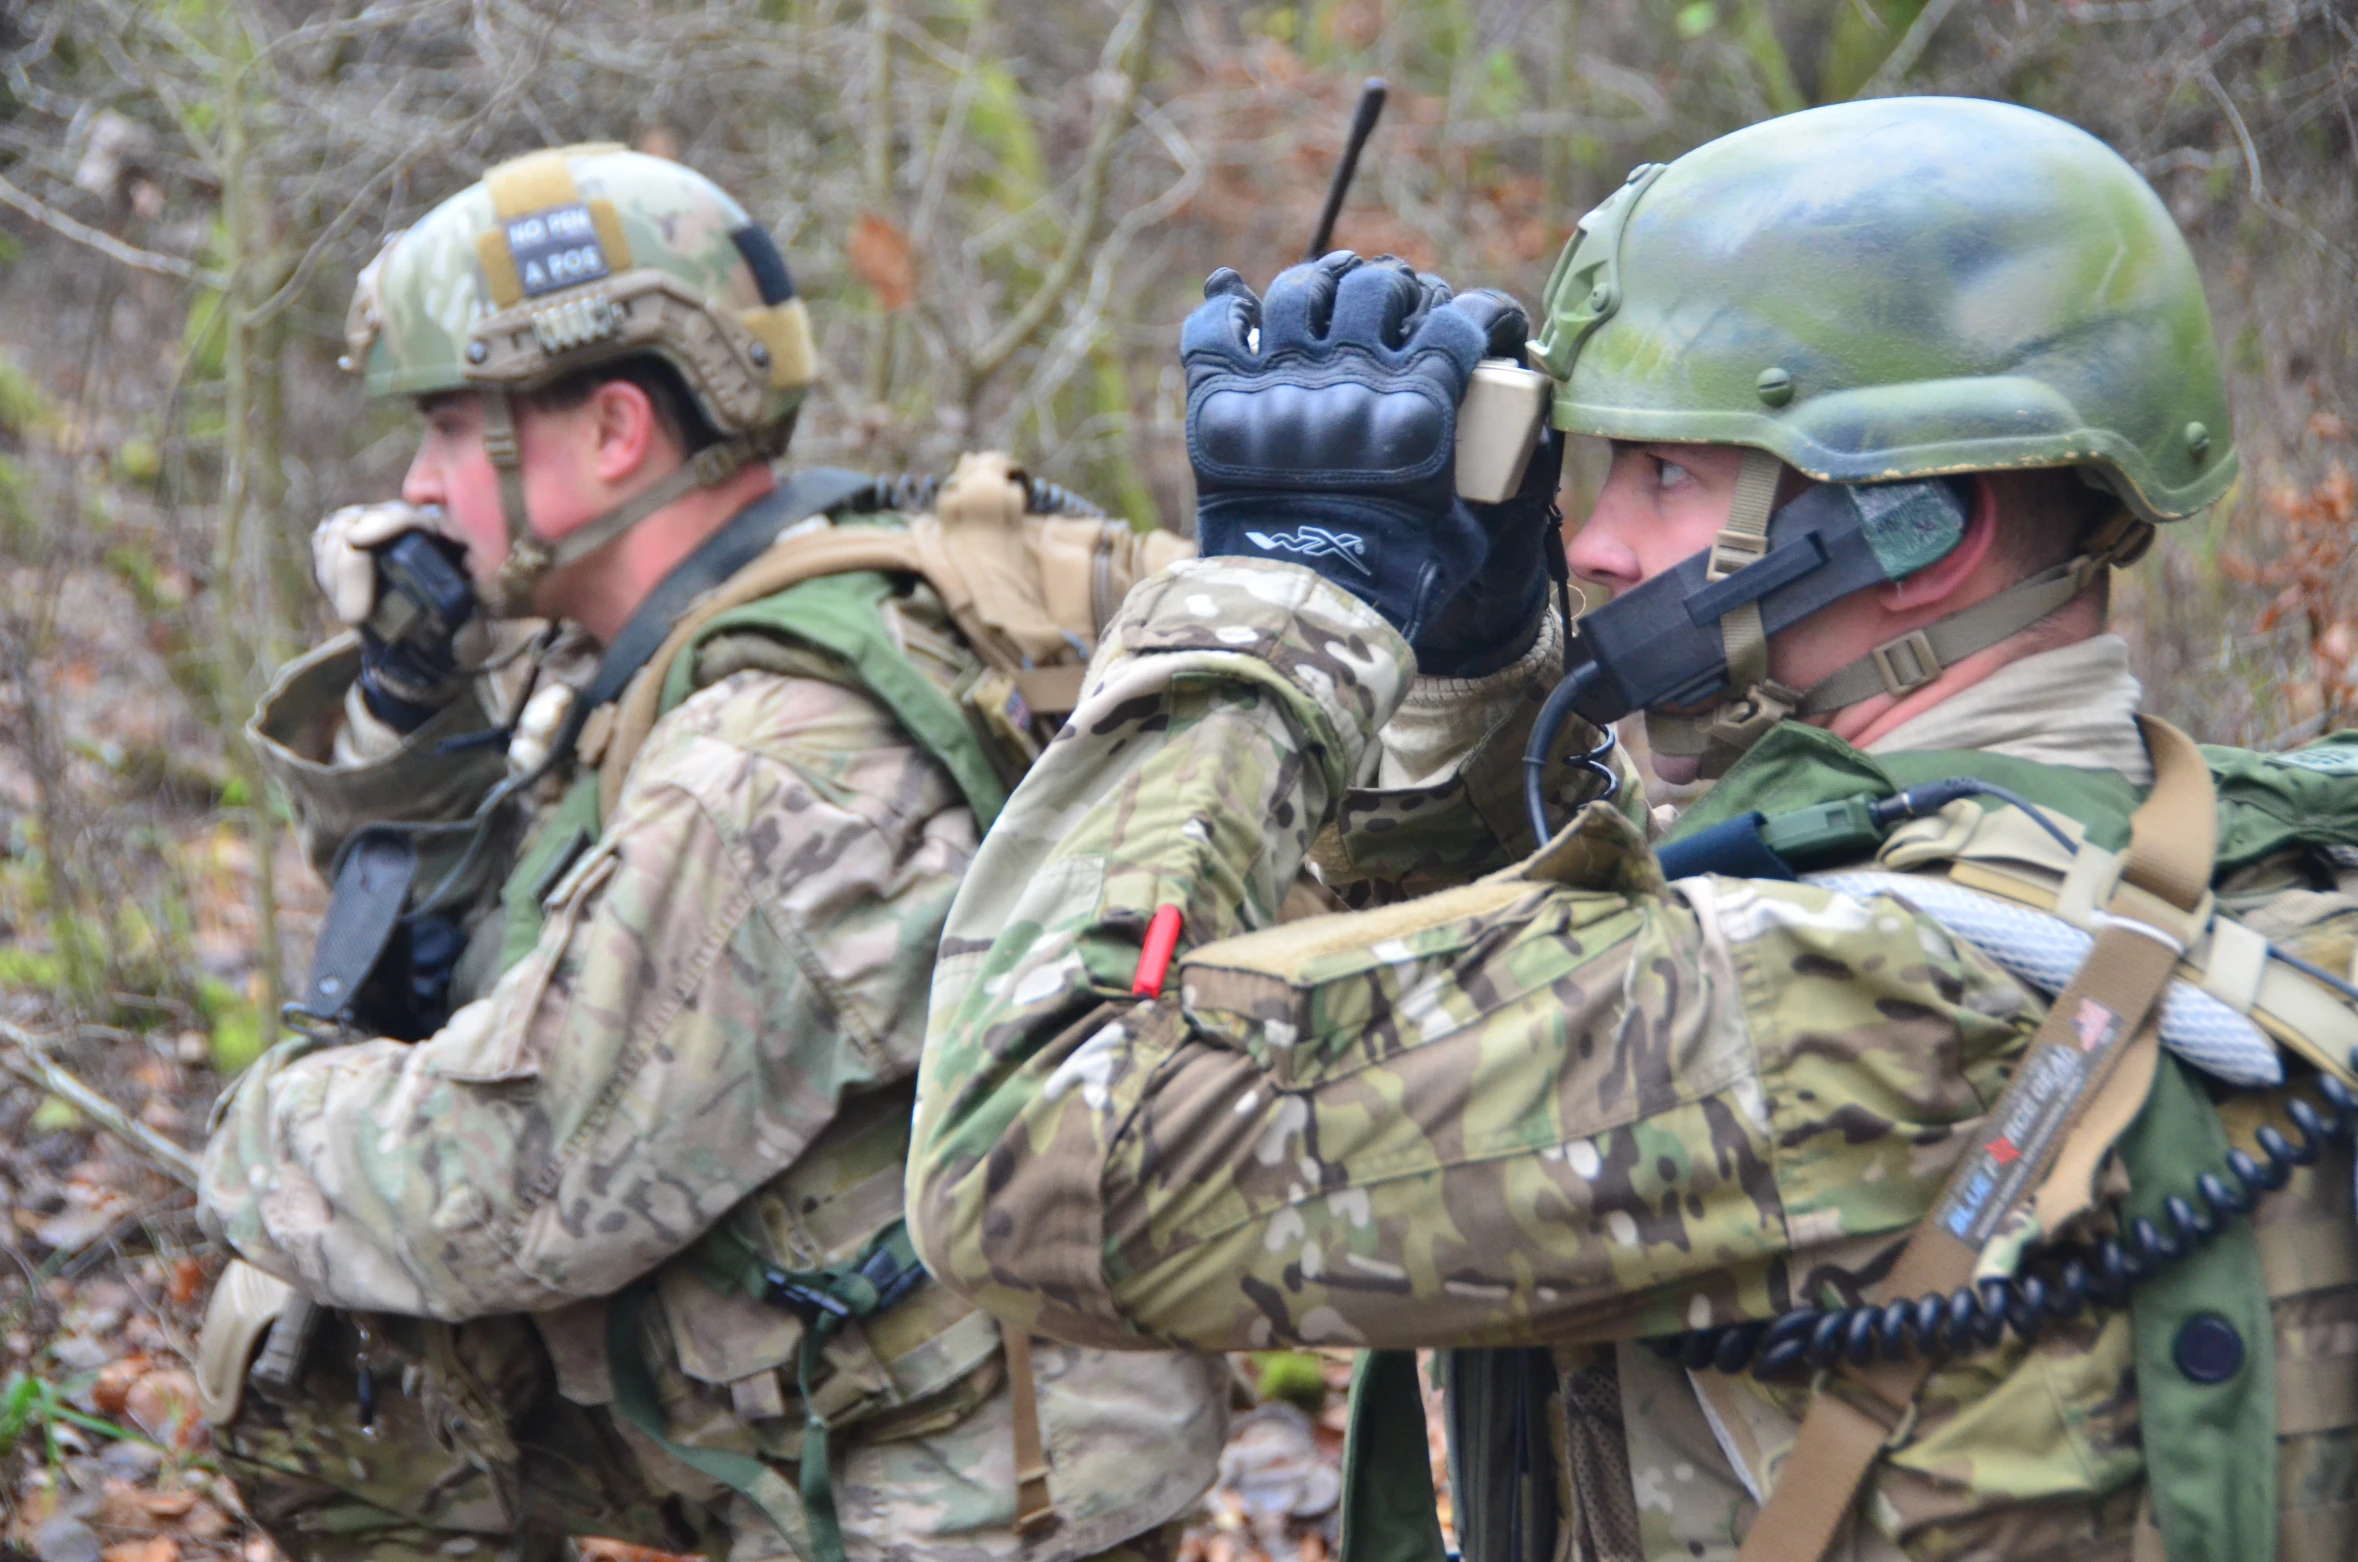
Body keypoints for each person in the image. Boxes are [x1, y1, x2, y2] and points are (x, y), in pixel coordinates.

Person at [906, 97, 2358, 1562]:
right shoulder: (2238, 868)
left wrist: (1280, 605)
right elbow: (1535, 992)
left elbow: (1020, 1164)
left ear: (1924, 531)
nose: (1593, 543)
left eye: (1664, 473)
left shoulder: (1824, 985)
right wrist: (1475, 683)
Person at [193, 143, 1225, 1562]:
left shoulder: (765, 758)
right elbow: (473, 944)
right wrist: (404, 692)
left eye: (444, 428)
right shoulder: (725, 620)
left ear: (614, 431)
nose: (416, 485)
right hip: (897, 1390)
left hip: (972, 1489)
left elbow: (505, 1190)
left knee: (296, 1304)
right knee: (320, 1356)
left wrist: (255, 1121)